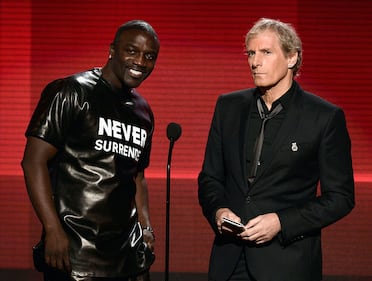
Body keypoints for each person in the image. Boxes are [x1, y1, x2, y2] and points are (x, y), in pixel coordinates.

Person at [198, 18, 355, 281]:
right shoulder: (228, 107)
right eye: (251, 53)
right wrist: (218, 211)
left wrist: (282, 222)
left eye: (266, 52)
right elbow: (210, 178)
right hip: (229, 260)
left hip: (287, 263)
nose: (254, 62)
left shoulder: (323, 117)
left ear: (292, 57)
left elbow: (341, 198)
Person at [21, 20, 160, 281]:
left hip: (127, 255)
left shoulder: (143, 112)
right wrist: (52, 229)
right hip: (75, 250)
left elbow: (137, 176)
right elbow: (33, 162)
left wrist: (146, 227)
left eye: (149, 56)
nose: (140, 62)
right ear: (112, 50)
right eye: (132, 51)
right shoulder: (70, 91)